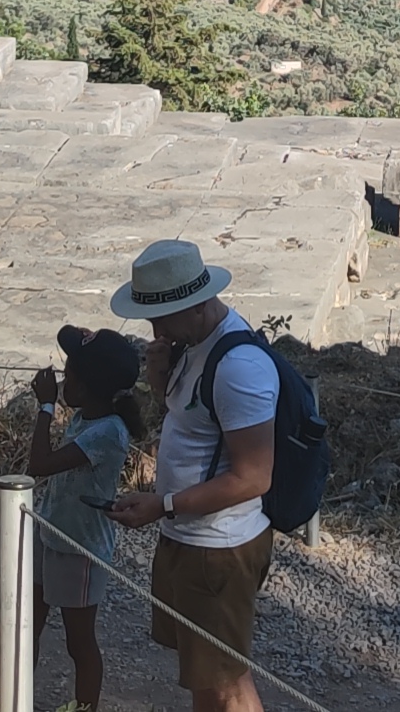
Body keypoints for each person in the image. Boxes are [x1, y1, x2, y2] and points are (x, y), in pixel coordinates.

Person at [101, 239, 281, 712]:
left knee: (228, 683)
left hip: (218, 546)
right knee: (205, 676)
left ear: (198, 305)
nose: (155, 330)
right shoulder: (195, 345)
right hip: (191, 537)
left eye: (162, 317)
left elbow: (253, 477)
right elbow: (195, 421)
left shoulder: (239, 366)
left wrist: (163, 505)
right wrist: (161, 379)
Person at [26, 324, 145, 712]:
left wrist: (46, 406)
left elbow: (39, 464)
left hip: (80, 548)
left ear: (88, 386)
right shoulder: (86, 417)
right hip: (52, 532)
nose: (63, 379)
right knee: (26, 626)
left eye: (70, 373)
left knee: (79, 643)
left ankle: (86, 707)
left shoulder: (108, 431)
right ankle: (15, 698)